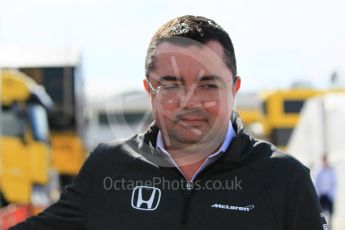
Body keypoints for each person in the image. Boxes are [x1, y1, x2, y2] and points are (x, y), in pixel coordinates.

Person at [11, 15, 326, 230]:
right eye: (172, 85)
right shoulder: (109, 166)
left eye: (208, 85)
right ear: (149, 90)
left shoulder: (285, 179)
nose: (189, 102)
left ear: (234, 89)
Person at [314, 155, 336, 229]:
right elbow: (316, 183)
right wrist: (318, 194)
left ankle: (329, 228)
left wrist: (332, 194)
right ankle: (323, 227)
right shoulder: (319, 172)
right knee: (321, 214)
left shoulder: (331, 171)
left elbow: (334, 183)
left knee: (330, 214)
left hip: (329, 195)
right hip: (321, 195)